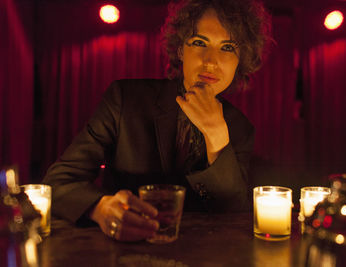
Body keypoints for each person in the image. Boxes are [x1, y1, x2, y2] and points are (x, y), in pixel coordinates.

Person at [43, 0, 272, 242]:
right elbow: (57, 183)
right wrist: (99, 208)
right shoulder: (125, 100)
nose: (211, 61)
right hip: (126, 250)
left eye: (227, 47)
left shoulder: (240, 128)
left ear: (240, 61)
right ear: (181, 49)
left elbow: (234, 216)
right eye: (199, 42)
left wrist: (217, 137)